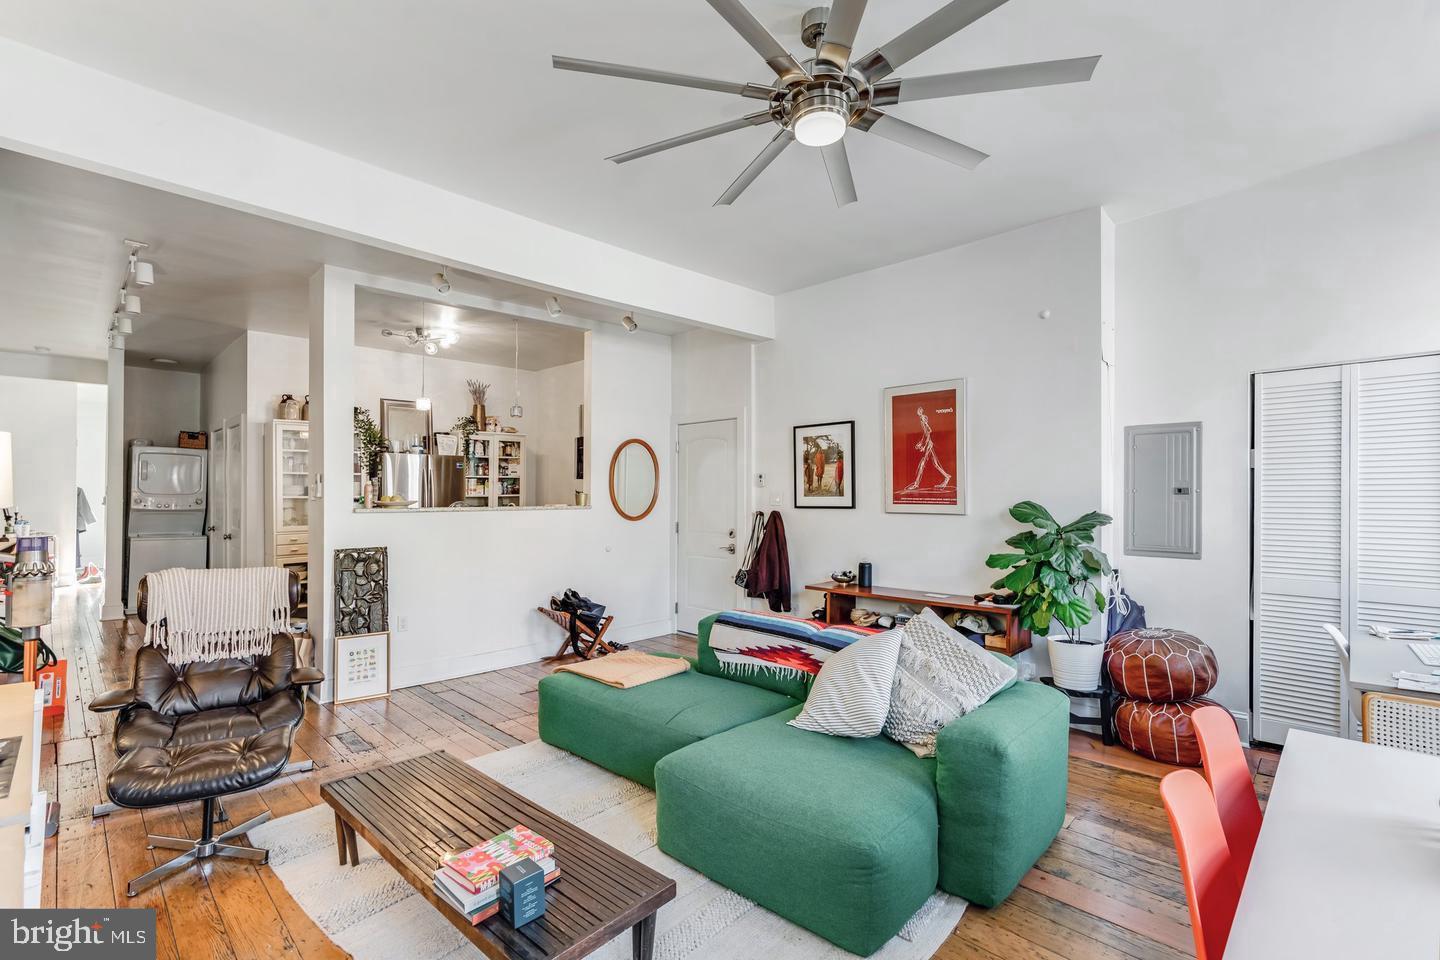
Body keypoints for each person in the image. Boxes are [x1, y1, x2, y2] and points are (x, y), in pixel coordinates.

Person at [903, 406, 952, 493]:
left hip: (929, 445)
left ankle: (916, 484)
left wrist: (924, 446)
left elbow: (928, 433)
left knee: (922, 464)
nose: (918, 412)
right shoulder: (922, 421)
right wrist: (921, 443)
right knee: (936, 464)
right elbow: (925, 434)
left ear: (921, 412)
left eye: (919, 410)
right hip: (929, 444)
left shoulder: (923, 420)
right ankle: (947, 476)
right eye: (918, 410)